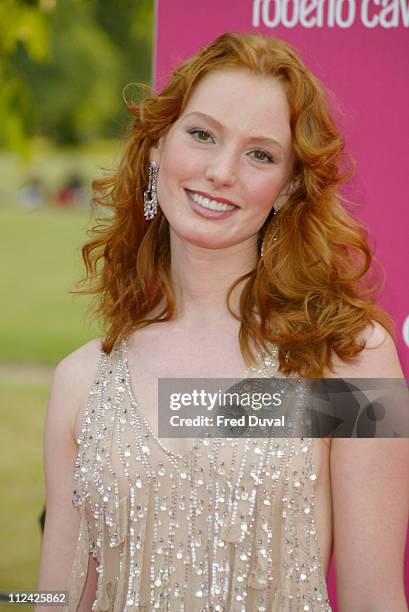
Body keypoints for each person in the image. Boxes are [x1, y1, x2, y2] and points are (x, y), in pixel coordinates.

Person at [37, 32, 409, 611]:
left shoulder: (348, 360)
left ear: (287, 187)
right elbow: (59, 600)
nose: (220, 171)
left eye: (260, 153)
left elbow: (375, 598)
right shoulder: (81, 384)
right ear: (158, 147)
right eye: (203, 134)